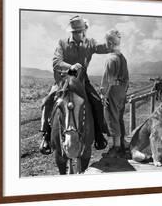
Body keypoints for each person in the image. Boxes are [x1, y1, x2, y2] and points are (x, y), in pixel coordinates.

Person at [39, 15, 109, 154]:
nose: (77, 34)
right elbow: (55, 62)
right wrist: (70, 67)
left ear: (84, 30)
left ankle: (99, 133)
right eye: (75, 31)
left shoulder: (90, 43)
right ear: (71, 32)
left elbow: (102, 47)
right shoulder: (62, 43)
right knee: (47, 101)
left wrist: (113, 43)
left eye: (80, 31)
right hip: (63, 80)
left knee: (96, 102)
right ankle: (46, 135)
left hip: (82, 81)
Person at [100, 29, 129, 158]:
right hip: (122, 89)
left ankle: (116, 147)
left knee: (112, 117)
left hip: (113, 89)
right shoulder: (122, 57)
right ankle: (122, 143)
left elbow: (107, 79)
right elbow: (127, 78)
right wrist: (124, 91)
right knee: (119, 117)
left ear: (111, 43)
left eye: (107, 43)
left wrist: (103, 93)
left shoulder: (111, 59)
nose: (106, 46)